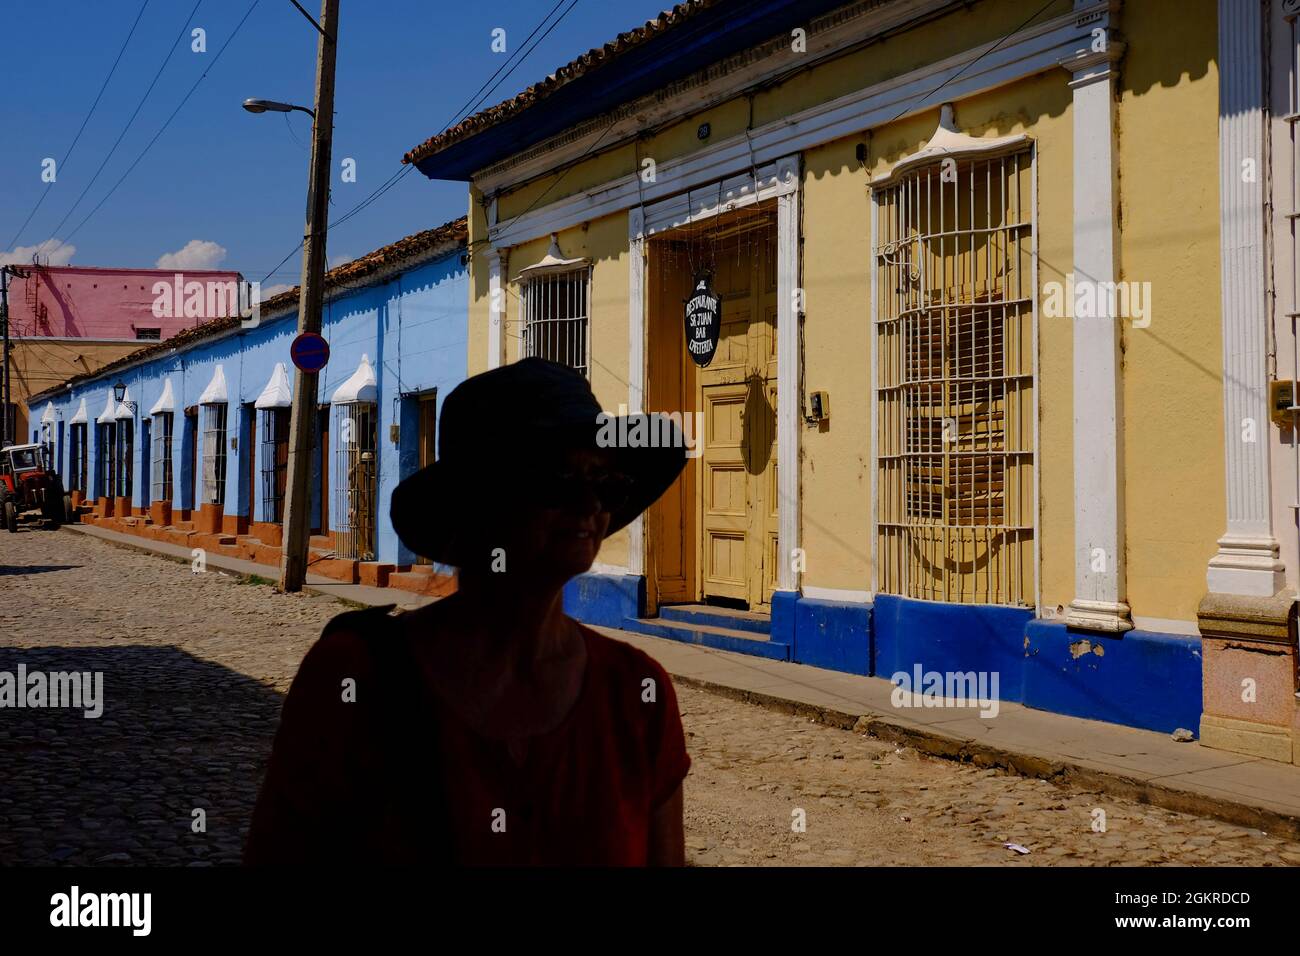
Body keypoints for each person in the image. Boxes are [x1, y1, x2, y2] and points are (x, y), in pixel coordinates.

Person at [245, 358, 691, 865]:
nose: (589, 502)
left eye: (605, 481)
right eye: (559, 475)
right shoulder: (354, 680)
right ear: (481, 499)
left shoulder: (637, 695)